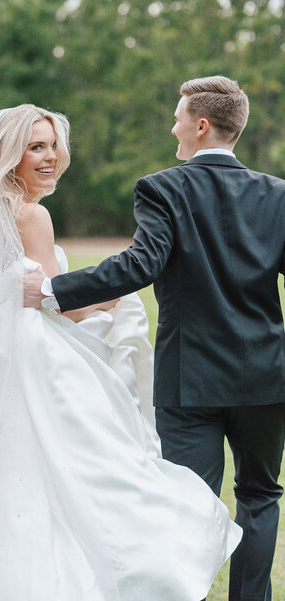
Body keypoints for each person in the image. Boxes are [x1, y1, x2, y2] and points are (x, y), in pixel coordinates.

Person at [0, 104, 241, 601]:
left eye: (52, 145)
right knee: (73, 473)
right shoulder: (33, 215)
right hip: (34, 360)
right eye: (36, 147)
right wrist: (115, 296)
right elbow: (64, 307)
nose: (49, 156)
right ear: (9, 155)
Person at [24, 76, 285, 601]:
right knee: (260, 497)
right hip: (266, 374)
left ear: (201, 124)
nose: (174, 125)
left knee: (182, 503)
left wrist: (53, 289)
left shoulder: (162, 187)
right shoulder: (278, 195)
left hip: (190, 377)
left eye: (178, 115)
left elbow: (140, 265)